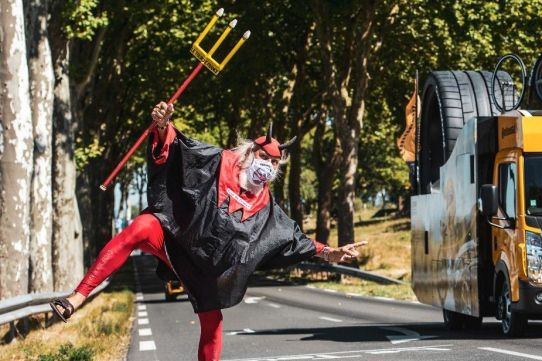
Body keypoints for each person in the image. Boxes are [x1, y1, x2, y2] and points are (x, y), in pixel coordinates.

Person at [49, 102, 367, 361]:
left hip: (207, 270)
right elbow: (177, 149)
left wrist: (330, 252)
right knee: (140, 226)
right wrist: (163, 127)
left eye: (274, 162)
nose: (268, 165)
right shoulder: (218, 161)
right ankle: (76, 299)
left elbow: (291, 237)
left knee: (212, 325)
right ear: (249, 151)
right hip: (175, 241)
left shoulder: (267, 205)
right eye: (263, 157)